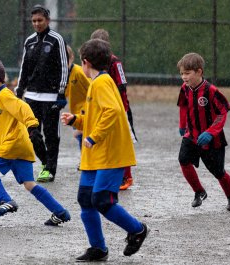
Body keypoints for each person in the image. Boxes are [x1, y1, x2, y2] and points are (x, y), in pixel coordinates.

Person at [61, 39, 148, 262]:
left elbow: (111, 113)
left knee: (102, 200)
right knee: (85, 198)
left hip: (110, 154)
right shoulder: (99, 82)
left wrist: (93, 137)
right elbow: (96, 117)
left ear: (85, 62)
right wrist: (76, 120)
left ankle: (137, 230)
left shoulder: (101, 83)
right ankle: (98, 249)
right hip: (97, 155)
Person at [0, 58, 71, 226]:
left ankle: (6, 201)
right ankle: (60, 212)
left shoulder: (4, 95)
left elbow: (23, 107)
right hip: (22, 147)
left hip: (12, 144)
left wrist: (33, 127)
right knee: (29, 184)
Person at [177, 52, 230, 211]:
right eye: (182, 73)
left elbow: (222, 112)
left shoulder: (211, 90)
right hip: (191, 135)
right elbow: (183, 106)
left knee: (218, 171)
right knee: (183, 160)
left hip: (212, 139)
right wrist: (182, 125)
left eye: (187, 73)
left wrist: (211, 132)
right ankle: (199, 191)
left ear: (199, 72)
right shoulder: (185, 88)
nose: (184, 77)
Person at [15, 4, 68, 182]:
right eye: (34, 21)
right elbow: (24, 68)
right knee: (32, 133)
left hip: (51, 96)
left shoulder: (57, 40)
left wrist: (61, 93)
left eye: (40, 20)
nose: (37, 24)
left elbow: (63, 67)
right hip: (31, 97)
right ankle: (46, 162)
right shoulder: (29, 41)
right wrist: (19, 91)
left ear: (47, 20)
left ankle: (50, 170)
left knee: (52, 134)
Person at [90, 29, 136, 190]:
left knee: (124, 141)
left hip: (120, 108)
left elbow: (122, 85)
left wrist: (117, 103)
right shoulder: (91, 65)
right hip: (101, 110)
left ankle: (127, 176)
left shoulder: (115, 62)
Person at [65, 44, 90, 152]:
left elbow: (93, 89)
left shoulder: (79, 72)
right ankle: (84, 160)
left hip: (86, 111)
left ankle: (87, 162)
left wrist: (86, 111)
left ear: (72, 57)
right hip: (75, 112)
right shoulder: (63, 75)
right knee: (81, 139)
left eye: (66, 59)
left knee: (85, 137)